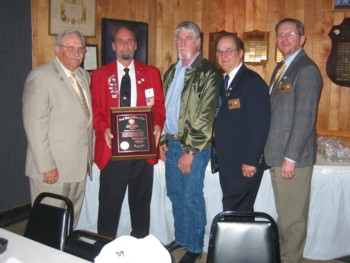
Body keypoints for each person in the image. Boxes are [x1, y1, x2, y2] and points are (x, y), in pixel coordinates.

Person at [90, 26, 165, 239]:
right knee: (109, 207)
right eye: (120, 41)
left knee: (141, 206)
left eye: (129, 40)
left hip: (143, 151)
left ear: (135, 45)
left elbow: (158, 106)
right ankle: (104, 247)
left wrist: (158, 124)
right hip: (112, 151)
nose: (125, 44)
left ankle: (139, 246)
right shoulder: (99, 75)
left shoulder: (151, 73)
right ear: (114, 46)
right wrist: (103, 128)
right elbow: (95, 110)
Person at [160, 21, 222, 263]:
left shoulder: (208, 73)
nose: (182, 43)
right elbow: (165, 110)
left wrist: (190, 150)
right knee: (175, 194)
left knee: (191, 197)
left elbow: (205, 117)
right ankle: (182, 238)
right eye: (179, 38)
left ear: (198, 42)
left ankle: (195, 247)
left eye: (188, 38)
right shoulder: (172, 71)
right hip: (172, 145)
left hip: (193, 148)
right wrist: (163, 139)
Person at [264, 18, 322, 263]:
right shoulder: (282, 68)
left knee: (293, 219)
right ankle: (283, 256)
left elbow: (304, 119)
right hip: (278, 154)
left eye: (289, 34)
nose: (283, 39)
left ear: (302, 38)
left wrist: (290, 158)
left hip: (292, 159)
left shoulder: (306, 70)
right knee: (285, 215)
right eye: (279, 35)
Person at [22, 30, 93, 227]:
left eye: (80, 48)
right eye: (70, 47)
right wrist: (46, 166)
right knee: (48, 223)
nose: (76, 52)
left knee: (71, 219)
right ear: (57, 49)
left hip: (78, 166)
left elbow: (85, 121)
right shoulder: (40, 77)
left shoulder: (84, 77)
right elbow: (35, 125)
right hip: (53, 170)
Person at [214, 34, 271, 212]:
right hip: (229, 163)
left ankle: (237, 242)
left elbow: (260, 125)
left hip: (243, 164)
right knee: (236, 211)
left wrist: (251, 160)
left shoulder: (251, 82)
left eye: (229, 51)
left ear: (241, 53)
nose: (223, 55)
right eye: (219, 52)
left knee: (237, 213)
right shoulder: (226, 81)